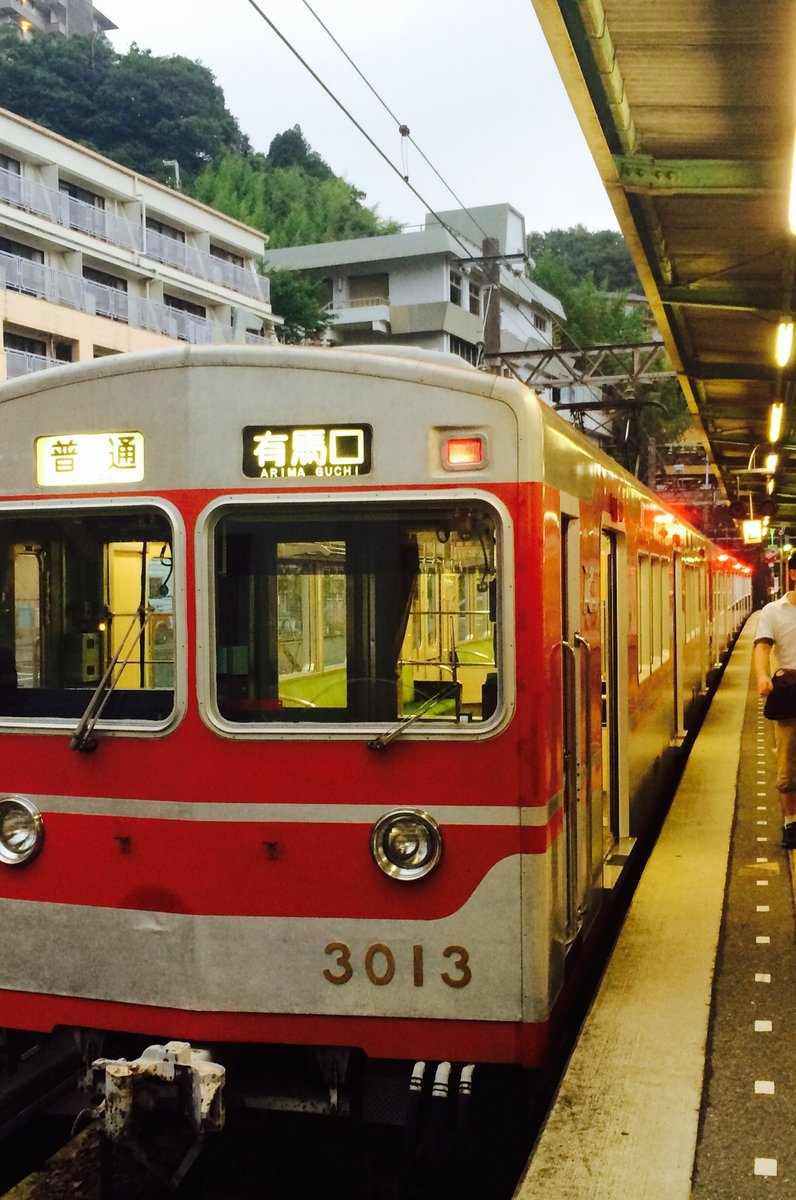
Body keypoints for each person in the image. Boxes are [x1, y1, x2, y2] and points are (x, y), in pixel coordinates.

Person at [754, 553, 796, 850]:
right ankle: (791, 823)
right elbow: (762, 647)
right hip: (790, 691)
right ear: (793, 575)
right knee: (788, 761)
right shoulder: (773, 611)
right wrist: (762, 675)